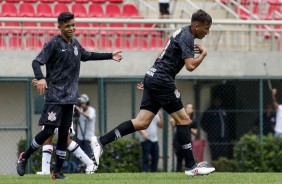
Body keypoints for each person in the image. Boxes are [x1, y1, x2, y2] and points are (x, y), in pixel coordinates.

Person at [90, 9, 215, 176]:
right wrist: (204, 54)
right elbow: (190, 66)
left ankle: (100, 141)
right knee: (184, 119)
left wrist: (151, 79)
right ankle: (191, 166)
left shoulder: (182, 32)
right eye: (206, 28)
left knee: (142, 122)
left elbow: (164, 54)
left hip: (154, 76)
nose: (207, 32)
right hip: (162, 80)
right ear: (196, 26)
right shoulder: (187, 36)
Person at [16, 12, 123, 179]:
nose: (72, 28)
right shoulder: (53, 44)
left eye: (73, 25)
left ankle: (57, 171)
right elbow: (36, 62)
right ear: (59, 27)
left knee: (64, 134)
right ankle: (25, 156)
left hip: (70, 98)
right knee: (47, 132)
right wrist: (40, 78)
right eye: (68, 26)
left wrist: (110, 55)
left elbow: (87, 56)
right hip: (54, 97)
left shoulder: (75, 44)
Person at [31, 80, 97, 175]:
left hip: (64, 105)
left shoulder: (66, 71)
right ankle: (45, 170)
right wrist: (42, 81)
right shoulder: (53, 70)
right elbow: (52, 80)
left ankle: (90, 163)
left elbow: (63, 83)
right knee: (47, 137)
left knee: (66, 140)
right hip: (52, 106)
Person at [170, 102, 198, 172]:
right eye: (187, 108)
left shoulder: (193, 121)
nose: (188, 109)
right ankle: (178, 172)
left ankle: (188, 170)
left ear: (192, 110)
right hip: (178, 140)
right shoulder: (180, 117)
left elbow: (195, 132)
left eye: (190, 108)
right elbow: (172, 122)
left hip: (187, 140)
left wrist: (189, 127)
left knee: (187, 157)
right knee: (179, 158)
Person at [74, 94, 96, 169]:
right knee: (77, 153)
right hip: (80, 136)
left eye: (84, 103)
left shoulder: (91, 110)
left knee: (88, 154)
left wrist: (80, 112)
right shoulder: (79, 110)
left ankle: (89, 168)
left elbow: (90, 117)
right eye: (81, 103)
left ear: (87, 103)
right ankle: (75, 168)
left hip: (88, 137)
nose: (82, 105)